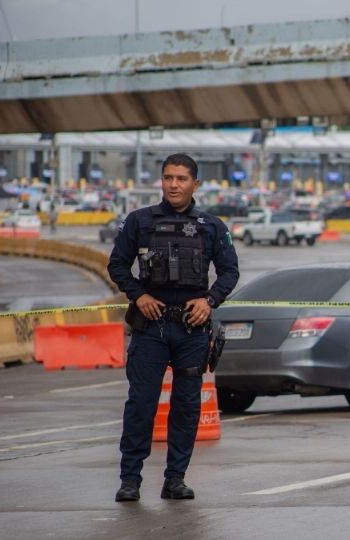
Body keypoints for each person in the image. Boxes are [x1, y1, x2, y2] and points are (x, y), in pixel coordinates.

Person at [107, 154, 239, 502]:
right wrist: (139, 295)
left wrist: (209, 301)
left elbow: (230, 272)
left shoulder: (212, 226)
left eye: (181, 179)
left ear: (196, 184)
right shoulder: (138, 222)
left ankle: (175, 478)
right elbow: (117, 265)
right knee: (141, 404)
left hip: (192, 330)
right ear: (161, 181)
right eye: (168, 178)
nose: (174, 185)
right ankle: (130, 479)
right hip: (151, 327)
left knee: (186, 407)